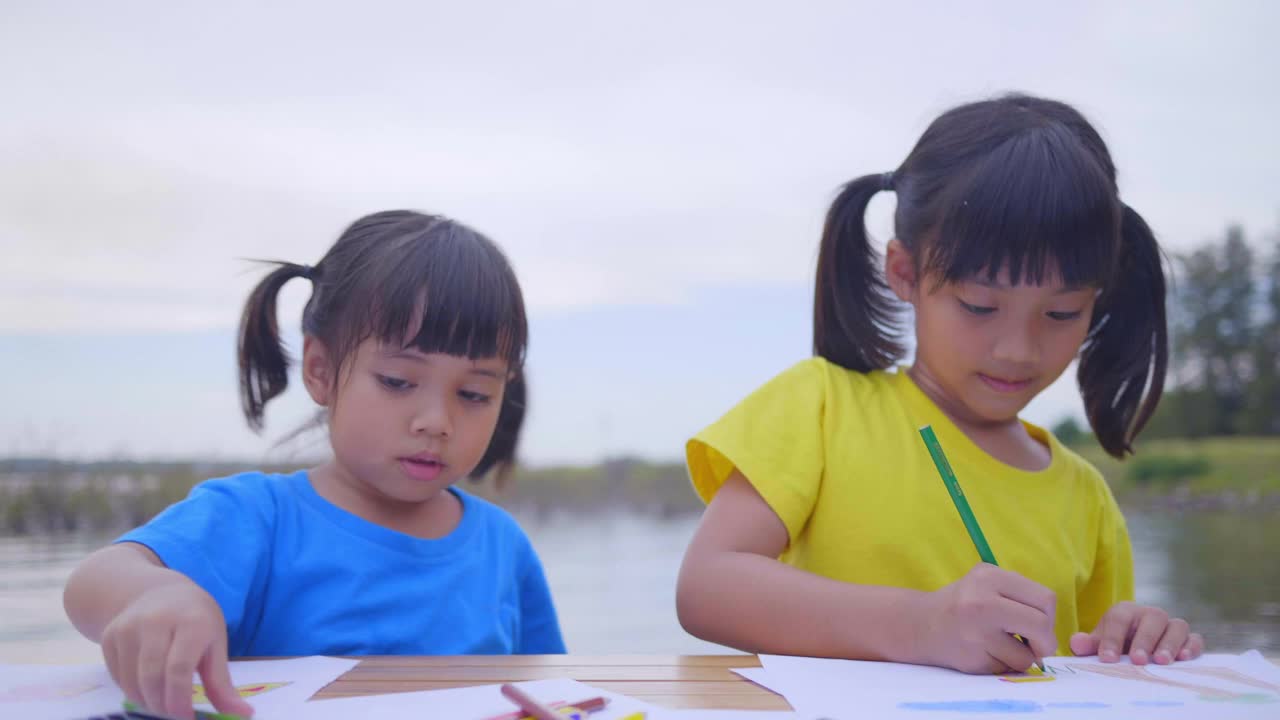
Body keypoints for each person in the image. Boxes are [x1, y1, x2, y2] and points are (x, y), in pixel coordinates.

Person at [676, 94, 1204, 675]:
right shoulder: (820, 408)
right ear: (905, 272)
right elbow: (707, 586)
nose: (1018, 349)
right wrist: (920, 624)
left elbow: (1088, 675)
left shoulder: (1087, 499)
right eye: (979, 306)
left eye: (1061, 314)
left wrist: (1131, 644)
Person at [64, 210, 565, 719]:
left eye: (475, 393)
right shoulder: (258, 518)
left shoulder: (502, 546)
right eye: (397, 381)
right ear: (321, 370)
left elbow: (555, 690)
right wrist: (155, 594)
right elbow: (94, 581)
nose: (437, 421)